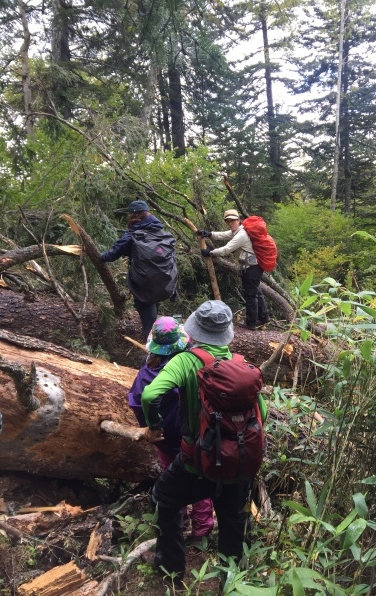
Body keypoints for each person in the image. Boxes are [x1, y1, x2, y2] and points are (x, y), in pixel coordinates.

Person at [141, 300, 267, 581]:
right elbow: (263, 414)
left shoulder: (185, 360)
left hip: (195, 464)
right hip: (238, 466)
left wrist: (153, 427)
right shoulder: (240, 366)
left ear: (194, 329)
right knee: (234, 525)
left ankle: (170, 570)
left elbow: (149, 395)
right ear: (227, 333)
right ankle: (231, 583)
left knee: (163, 498)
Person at [127, 316, 214, 541]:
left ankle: (179, 520)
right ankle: (202, 527)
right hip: (191, 437)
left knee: (172, 477)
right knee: (197, 479)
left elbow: (138, 401)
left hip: (164, 439)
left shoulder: (146, 373)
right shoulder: (189, 367)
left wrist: (152, 428)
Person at [100, 200, 165, 338]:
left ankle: (152, 353)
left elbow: (115, 252)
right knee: (152, 313)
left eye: (130, 214)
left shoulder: (135, 231)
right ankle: (158, 343)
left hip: (144, 281)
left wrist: (100, 257)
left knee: (148, 320)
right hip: (161, 279)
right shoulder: (160, 230)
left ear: (136, 214)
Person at [197, 209, 269, 330]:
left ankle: (251, 323)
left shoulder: (241, 235)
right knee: (256, 291)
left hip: (251, 268)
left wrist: (210, 252)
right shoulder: (238, 231)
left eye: (232, 221)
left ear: (238, 220)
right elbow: (224, 235)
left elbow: (226, 249)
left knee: (250, 295)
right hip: (252, 267)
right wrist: (209, 234)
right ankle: (264, 317)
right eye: (228, 221)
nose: (230, 223)